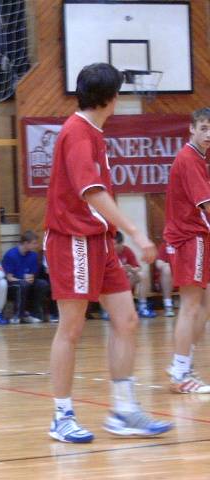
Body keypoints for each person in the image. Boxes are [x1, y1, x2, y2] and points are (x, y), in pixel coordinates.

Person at [44, 63, 172, 443]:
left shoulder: (92, 132)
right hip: (73, 240)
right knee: (71, 328)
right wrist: (136, 231)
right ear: (112, 98)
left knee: (126, 319)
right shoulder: (77, 133)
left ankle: (123, 409)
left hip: (99, 241)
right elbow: (92, 193)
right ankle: (61, 416)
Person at [163, 107, 210, 394]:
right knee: (191, 305)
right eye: (204, 128)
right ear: (192, 128)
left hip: (195, 237)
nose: (209, 134)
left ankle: (183, 364)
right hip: (189, 238)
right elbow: (207, 205)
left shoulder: (199, 158)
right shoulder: (190, 158)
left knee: (204, 305)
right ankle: (180, 372)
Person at [2, 230, 49, 324]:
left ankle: (34, 314)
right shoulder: (11, 255)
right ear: (26, 243)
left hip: (26, 284)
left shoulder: (33, 256)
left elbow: (32, 275)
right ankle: (17, 316)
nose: (36, 246)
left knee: (42, 284)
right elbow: (9, 278)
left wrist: (31, 278)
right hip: (12, 285)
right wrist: (23, 280)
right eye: (34, 243)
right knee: (22, 285)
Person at [112, 231, 157, 318]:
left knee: (142, 275)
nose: (112, 247)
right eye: (111, 244)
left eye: (114, 244)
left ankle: (142, 306)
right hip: (113, 284)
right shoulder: (107, 253)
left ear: (121, 243)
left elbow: (138, 267)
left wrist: (131, 269)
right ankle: (109, 310)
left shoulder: (127, 251)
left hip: (126, 283)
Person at [154, 242, 175, 317]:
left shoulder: (188, 243)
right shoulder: (166, 245)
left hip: (182, 277)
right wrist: (172, 266)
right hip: (167, 279)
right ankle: (168, 305)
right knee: (167, 269)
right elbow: (158, 264)